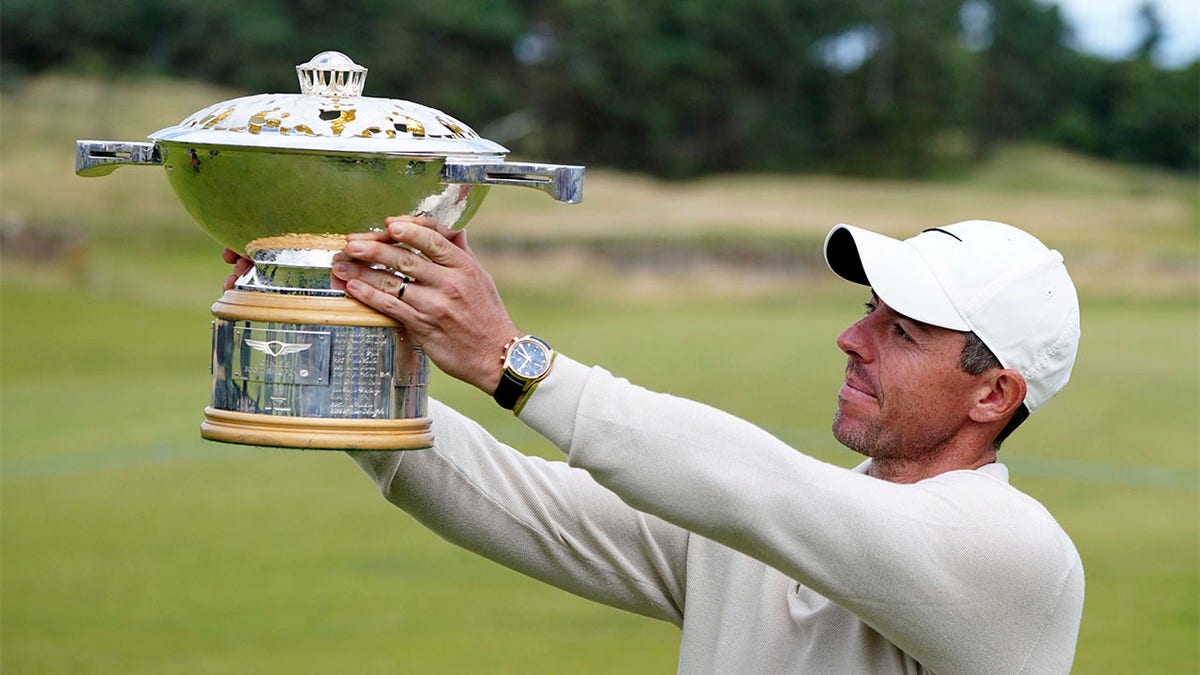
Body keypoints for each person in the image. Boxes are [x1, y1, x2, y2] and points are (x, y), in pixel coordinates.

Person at [227, 217, 1084, 673]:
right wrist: (341, 341)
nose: (852, 339)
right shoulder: (775, 535)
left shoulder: (1015, 553)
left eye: (901, 330)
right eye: (868, 311)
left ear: (993, 394)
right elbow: (518, 505)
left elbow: (764, 488)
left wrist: (510, 361)